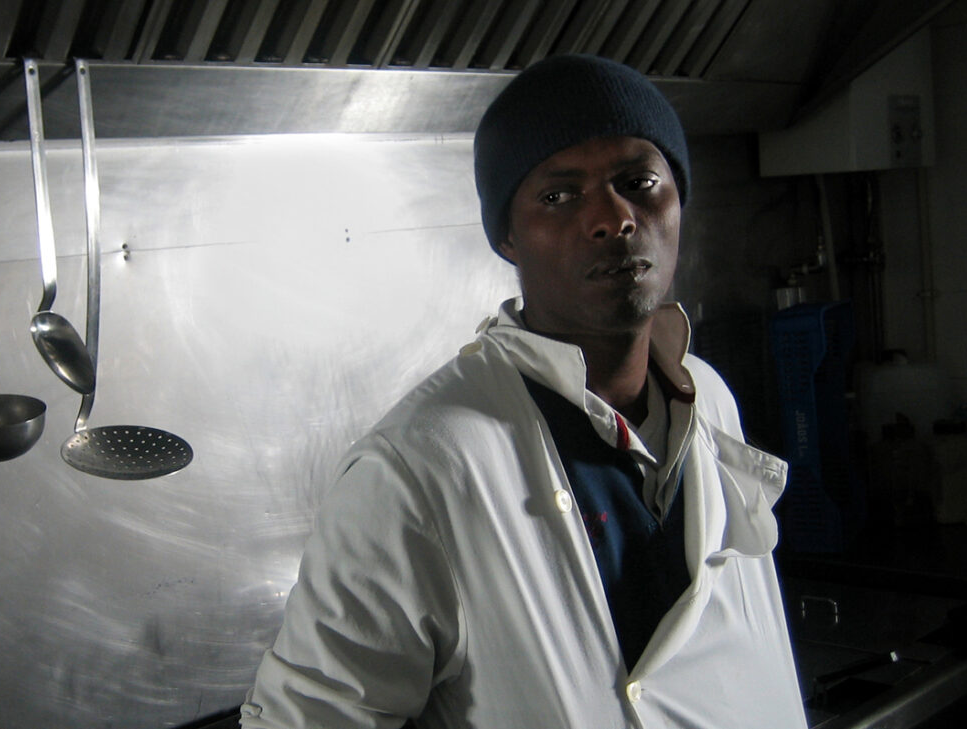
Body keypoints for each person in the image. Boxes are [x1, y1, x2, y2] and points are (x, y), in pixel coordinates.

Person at [240, 54, 807, 729]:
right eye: (559, 196)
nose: (613, 218)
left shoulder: (706, 395)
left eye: (639, 182)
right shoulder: (419, 467)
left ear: (678, 199)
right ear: (508, 237)